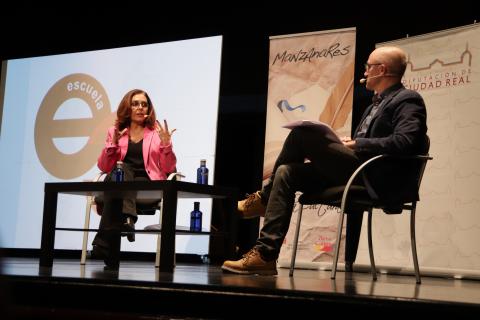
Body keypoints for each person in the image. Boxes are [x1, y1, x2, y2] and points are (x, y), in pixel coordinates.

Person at [222, 46, 428, 275]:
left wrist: (359, 144)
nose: (366, 71)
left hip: (375, 175)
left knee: (301, 134)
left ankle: (264, 197)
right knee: (286, 172)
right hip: (357, 168)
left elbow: (406, 141)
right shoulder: (374, 105)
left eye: (368, 67)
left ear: (382, 70)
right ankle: (266, 255)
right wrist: (348, 142)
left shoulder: (408, 99)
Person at [91, 89, 177, 270]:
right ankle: (127, 220)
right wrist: (112, 145)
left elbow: (169, 169)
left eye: (144, 104)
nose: (140, 107)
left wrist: (166, 145)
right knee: (120, 171)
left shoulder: (156, 134)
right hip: (118, 181)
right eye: (135, 103)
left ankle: (103, 244)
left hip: (146, 183)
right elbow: (104, 167)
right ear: (127, 108)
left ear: (149, 109)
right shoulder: (115, 132)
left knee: (118, 182)